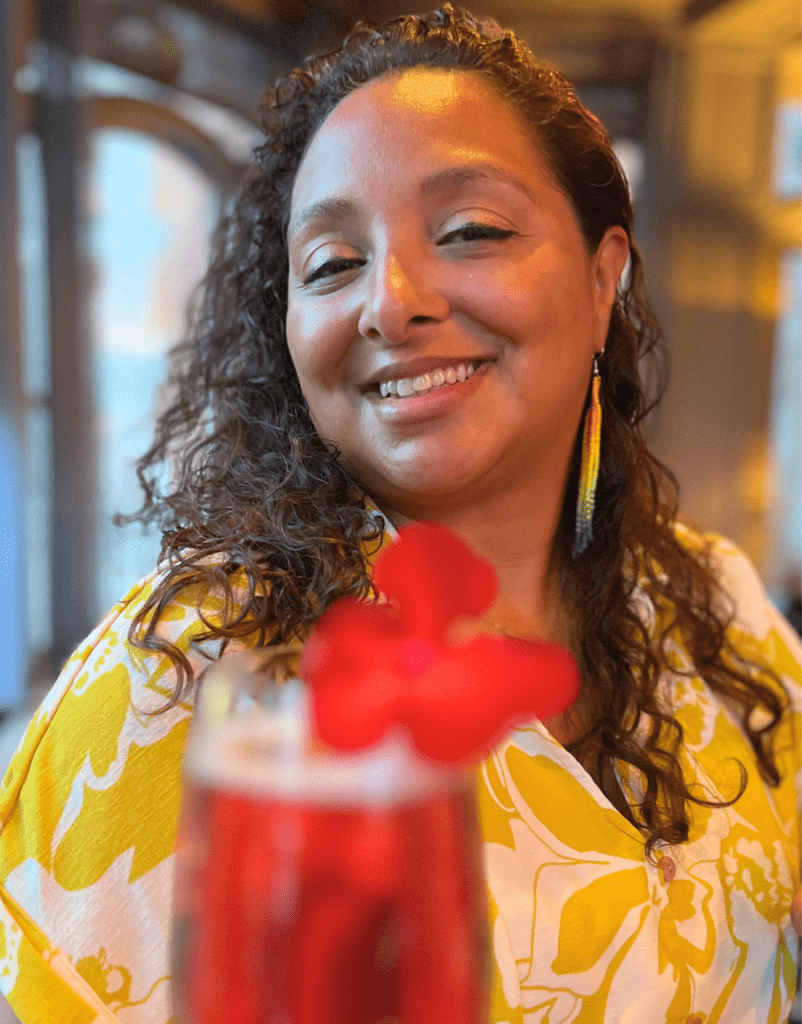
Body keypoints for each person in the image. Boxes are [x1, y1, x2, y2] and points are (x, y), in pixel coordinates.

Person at [0, 6, 799, 1023]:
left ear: (604, 280)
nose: (390, 301)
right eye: (332, 264)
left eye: (470, 231)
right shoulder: (182, 685)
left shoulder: (714, 608)